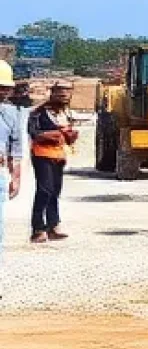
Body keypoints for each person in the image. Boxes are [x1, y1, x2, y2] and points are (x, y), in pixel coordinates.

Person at [28, 82, 78, 244]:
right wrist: (51, 134)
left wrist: (70, 136)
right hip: (42, 155)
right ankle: (38, 229)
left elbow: (67, 137)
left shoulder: (66, 114)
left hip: (58, 156)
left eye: (67, 93)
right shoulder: (38, 113)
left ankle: (53, 225)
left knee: (55, 191)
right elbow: (34, 133)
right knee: (45, 190)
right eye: (60, 93)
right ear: (53, 93)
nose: (64, 96)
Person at [0, 61, 25, 279]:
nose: (3, 92)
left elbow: (16, 148)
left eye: (5, 88)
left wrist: (15, 177)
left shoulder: (11, 114)